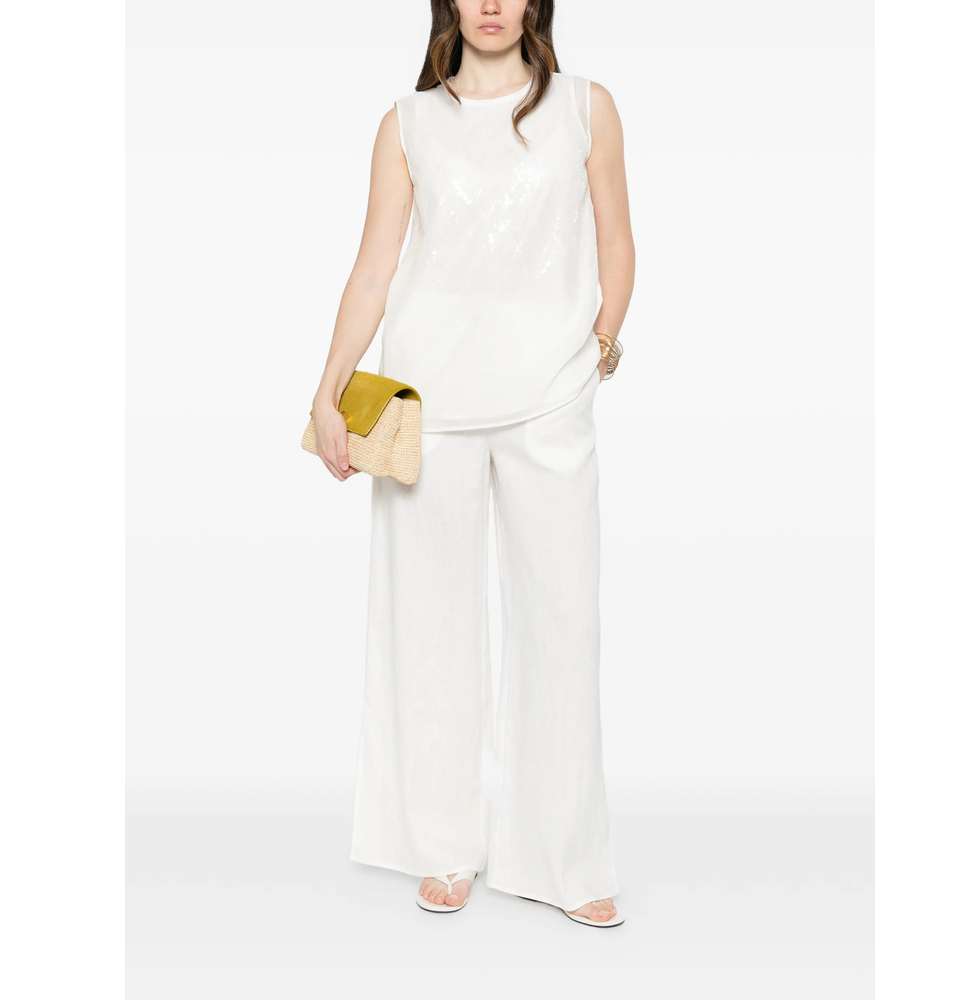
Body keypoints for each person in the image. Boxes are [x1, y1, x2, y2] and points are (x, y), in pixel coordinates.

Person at [310, 0, 634, 927]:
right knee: (430, 630)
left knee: (563, 629)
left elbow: (617, 238)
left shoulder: (586, 106)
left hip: (551, 402)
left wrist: (598, 350)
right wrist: (327, 391)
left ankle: (566, 860)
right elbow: (374, 267)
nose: (491, 3)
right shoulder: (407, 122)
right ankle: (441, 846)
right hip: (430, 407)